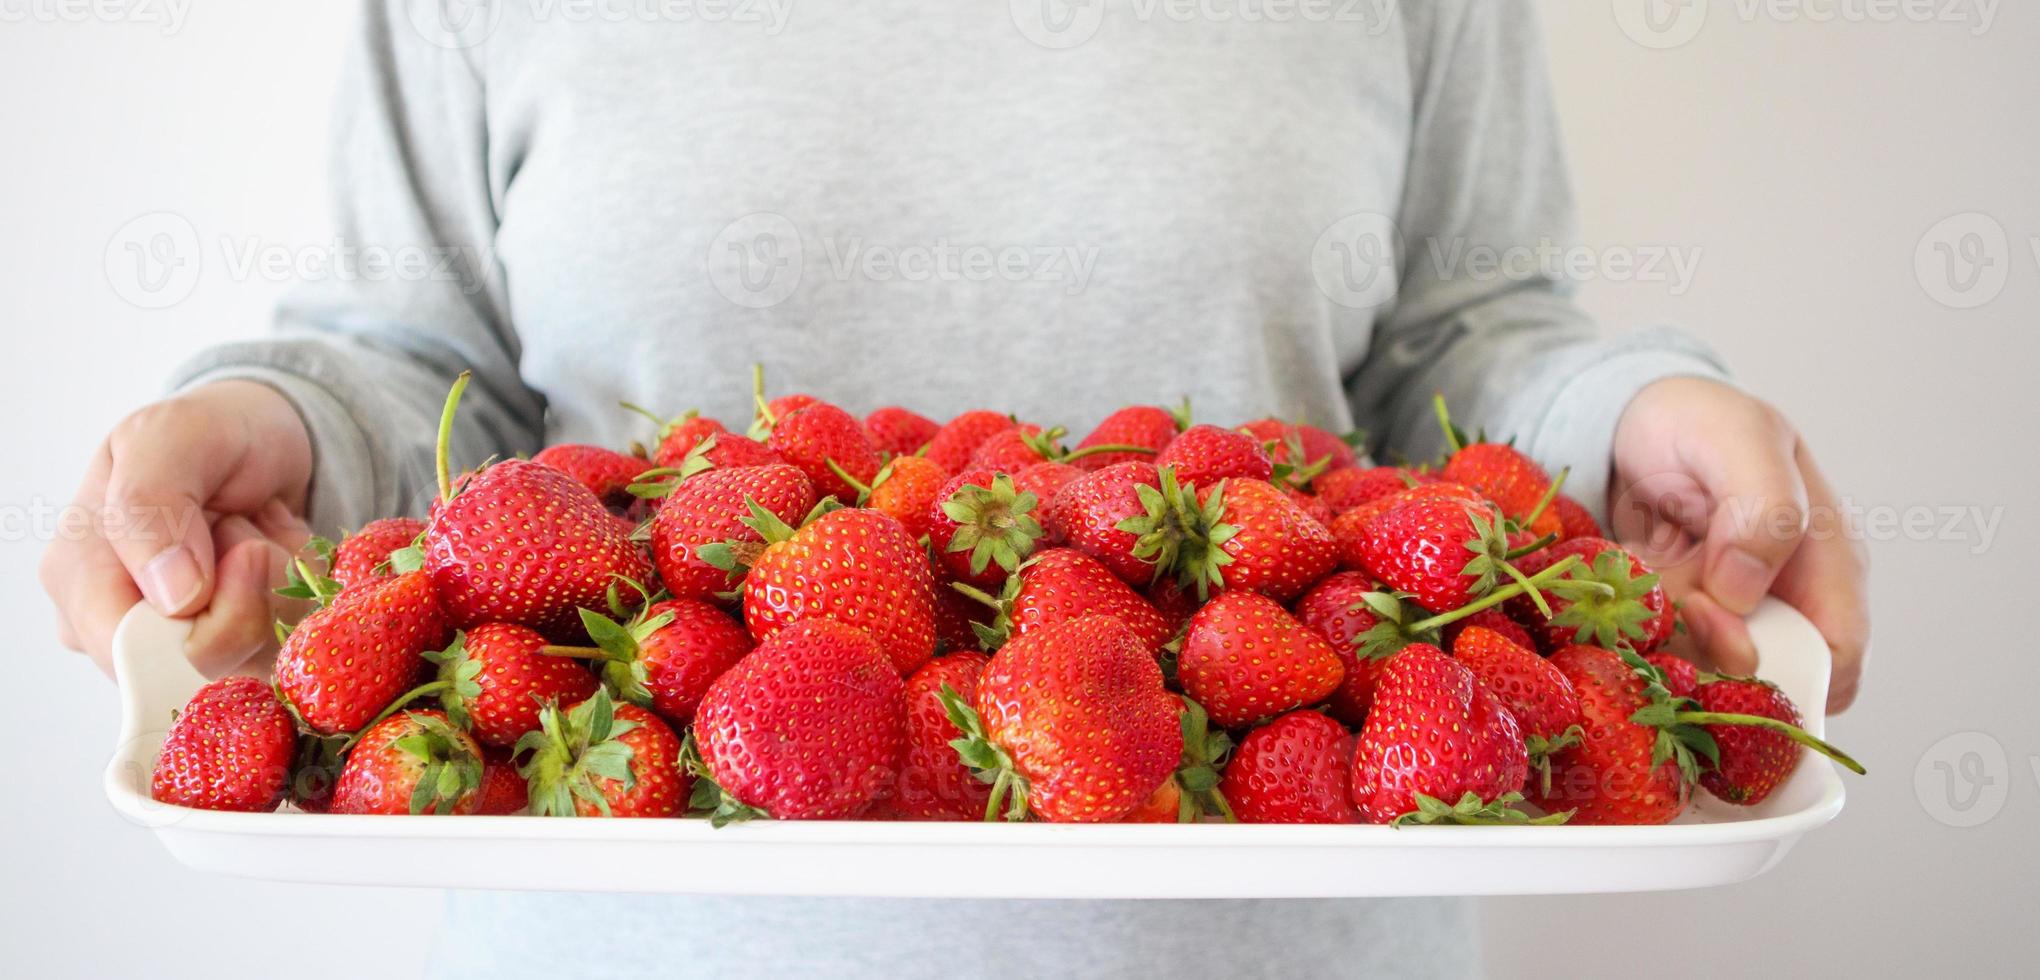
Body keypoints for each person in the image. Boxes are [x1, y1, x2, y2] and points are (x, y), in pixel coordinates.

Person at [41, 2, 1869, 977]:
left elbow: (1460, 336)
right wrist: (276, 421)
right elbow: (415, 359)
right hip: (618, 915)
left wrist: (1629, 412)